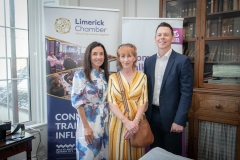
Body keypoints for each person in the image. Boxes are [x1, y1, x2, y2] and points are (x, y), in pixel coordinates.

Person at [144, 22, 194, 155]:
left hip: (172, 119)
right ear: (155, 39)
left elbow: (186, 93)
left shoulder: (182, 61)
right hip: (152, 116)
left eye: (166, 35)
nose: (162, 37)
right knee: (155, 153)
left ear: (173, 38)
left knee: (172, 155)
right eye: (159, 35)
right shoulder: (148, 61)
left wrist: (179, 120)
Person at [108, 43, 148, 160]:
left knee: (136, 152)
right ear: (119, 59)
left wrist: (134, 123)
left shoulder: (142, 77)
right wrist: (126, 122)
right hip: (118, 122)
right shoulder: (113, 78)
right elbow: (111, 103)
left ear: (135, 57)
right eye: (122, 56)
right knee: (117, 154)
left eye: (129, 56)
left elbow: (143, 101)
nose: (126, 60)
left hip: (137, 123)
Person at [71, 41, 109, 160]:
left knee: (104, 154)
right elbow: (78, 103)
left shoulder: (104, 74)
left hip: (105, 121)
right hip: (89, 122)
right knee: (89, 155)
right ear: (89, 56)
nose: (99, 57)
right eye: (95, 54)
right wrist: (86, 127)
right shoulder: (80, 75)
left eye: (101, 54)